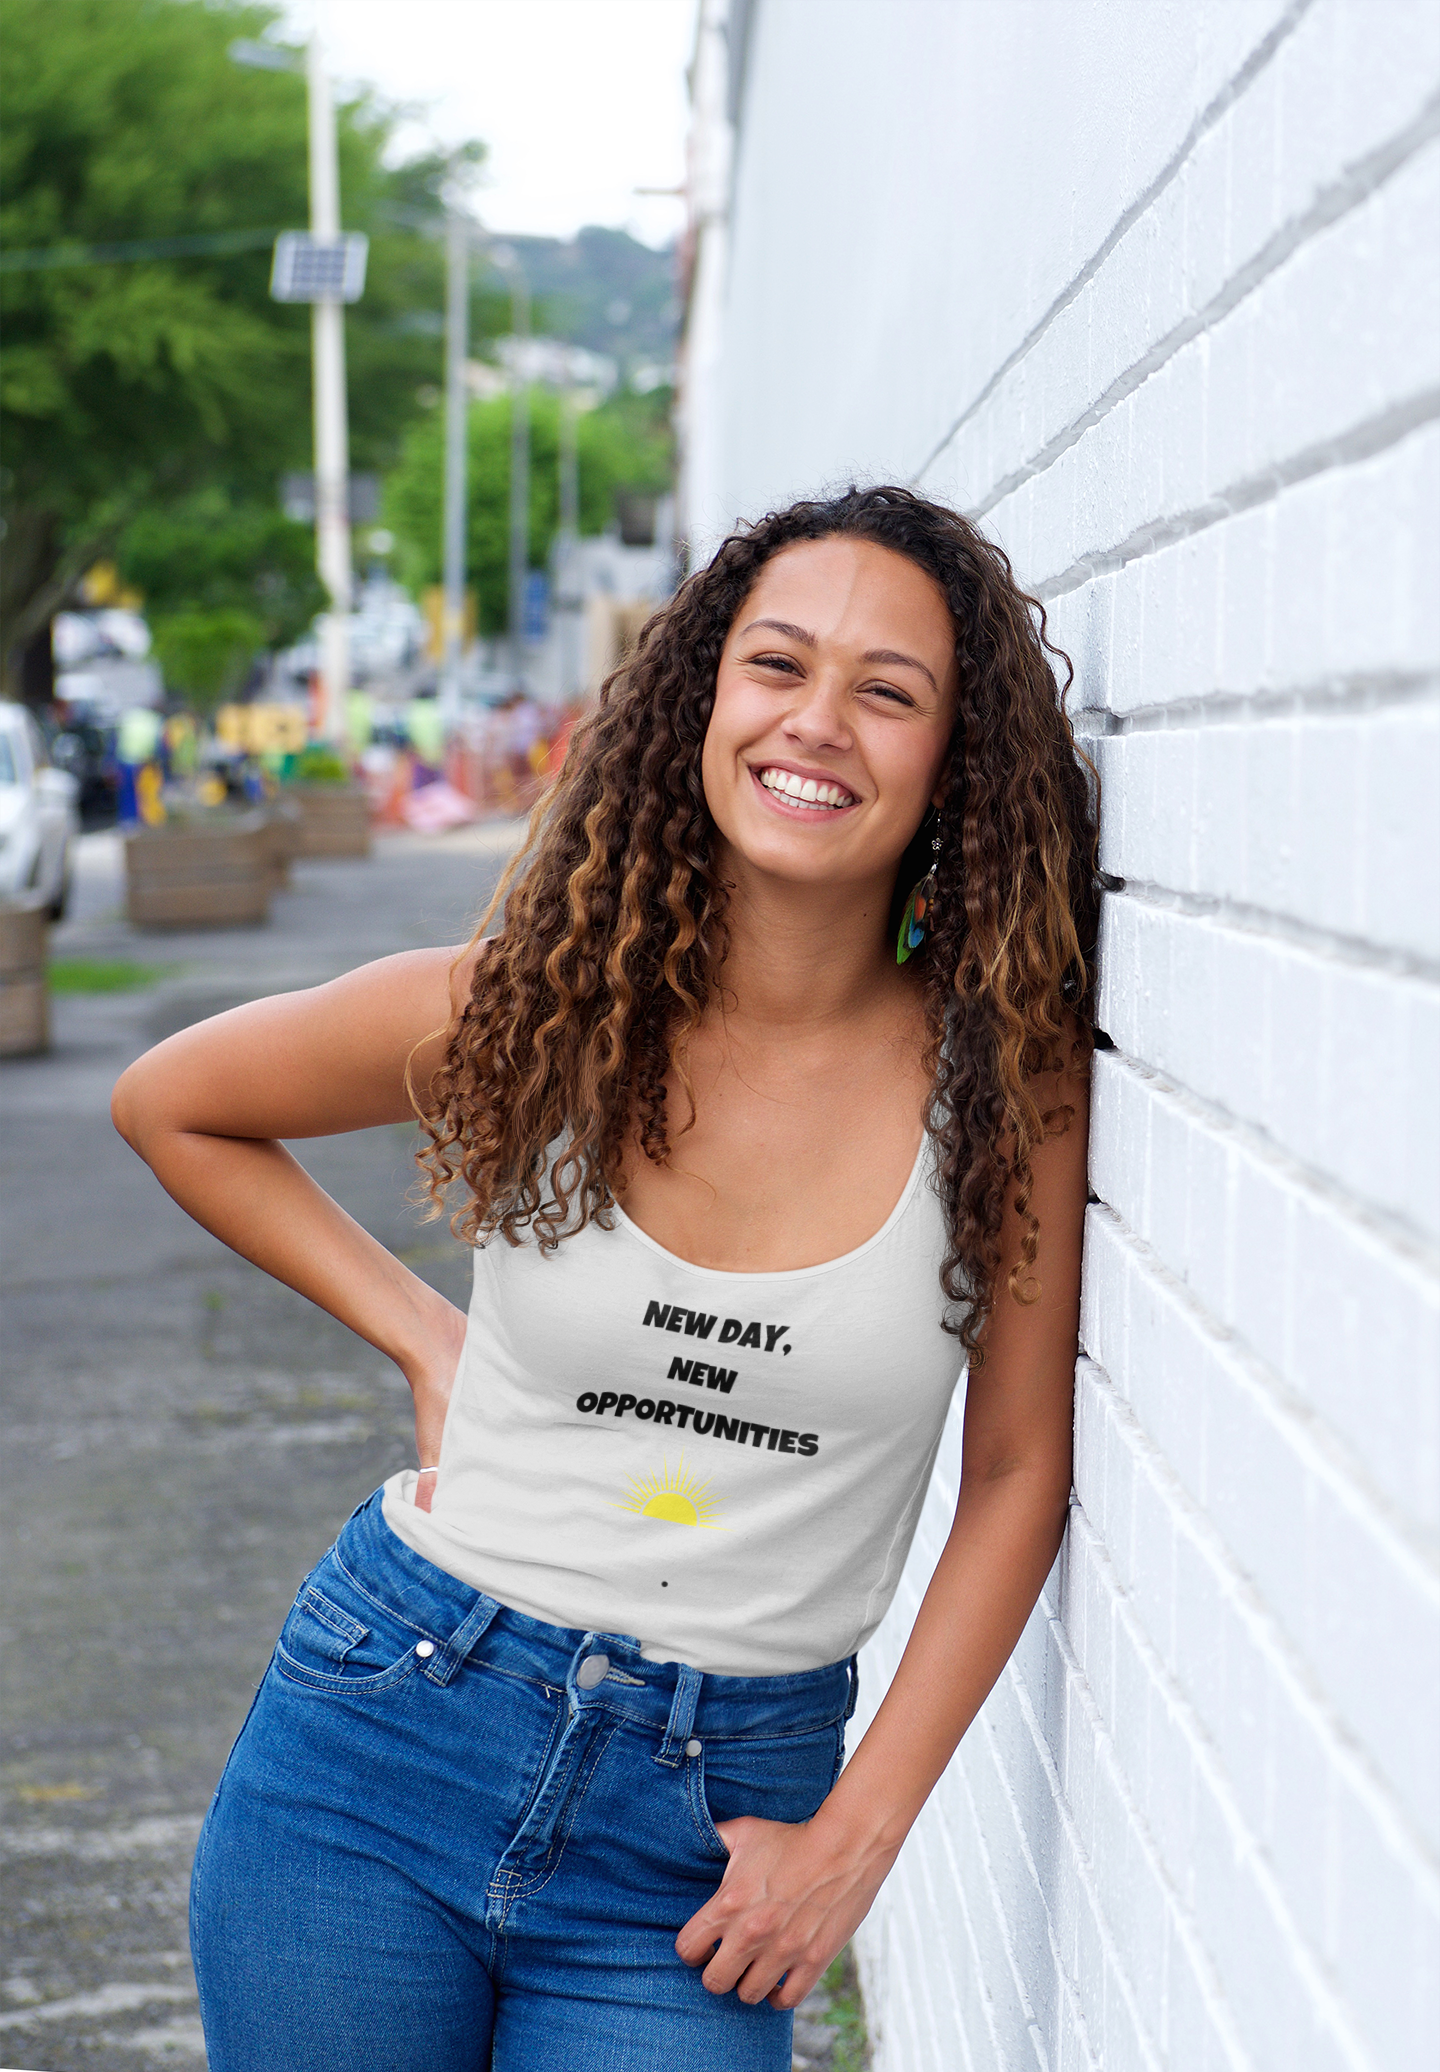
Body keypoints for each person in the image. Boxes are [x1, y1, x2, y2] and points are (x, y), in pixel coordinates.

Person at [112, 486, 1098, 2071]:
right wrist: (428, 1338)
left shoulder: (1003, 1080)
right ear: (705, 698)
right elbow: (176, 1102)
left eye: (889, 690)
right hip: (384, 1741)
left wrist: (859, 1835)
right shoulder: (537, 1006)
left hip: (707, 1837)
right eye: (777, 664)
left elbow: (1016, 1472)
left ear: (957, 761)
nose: (818, 722)